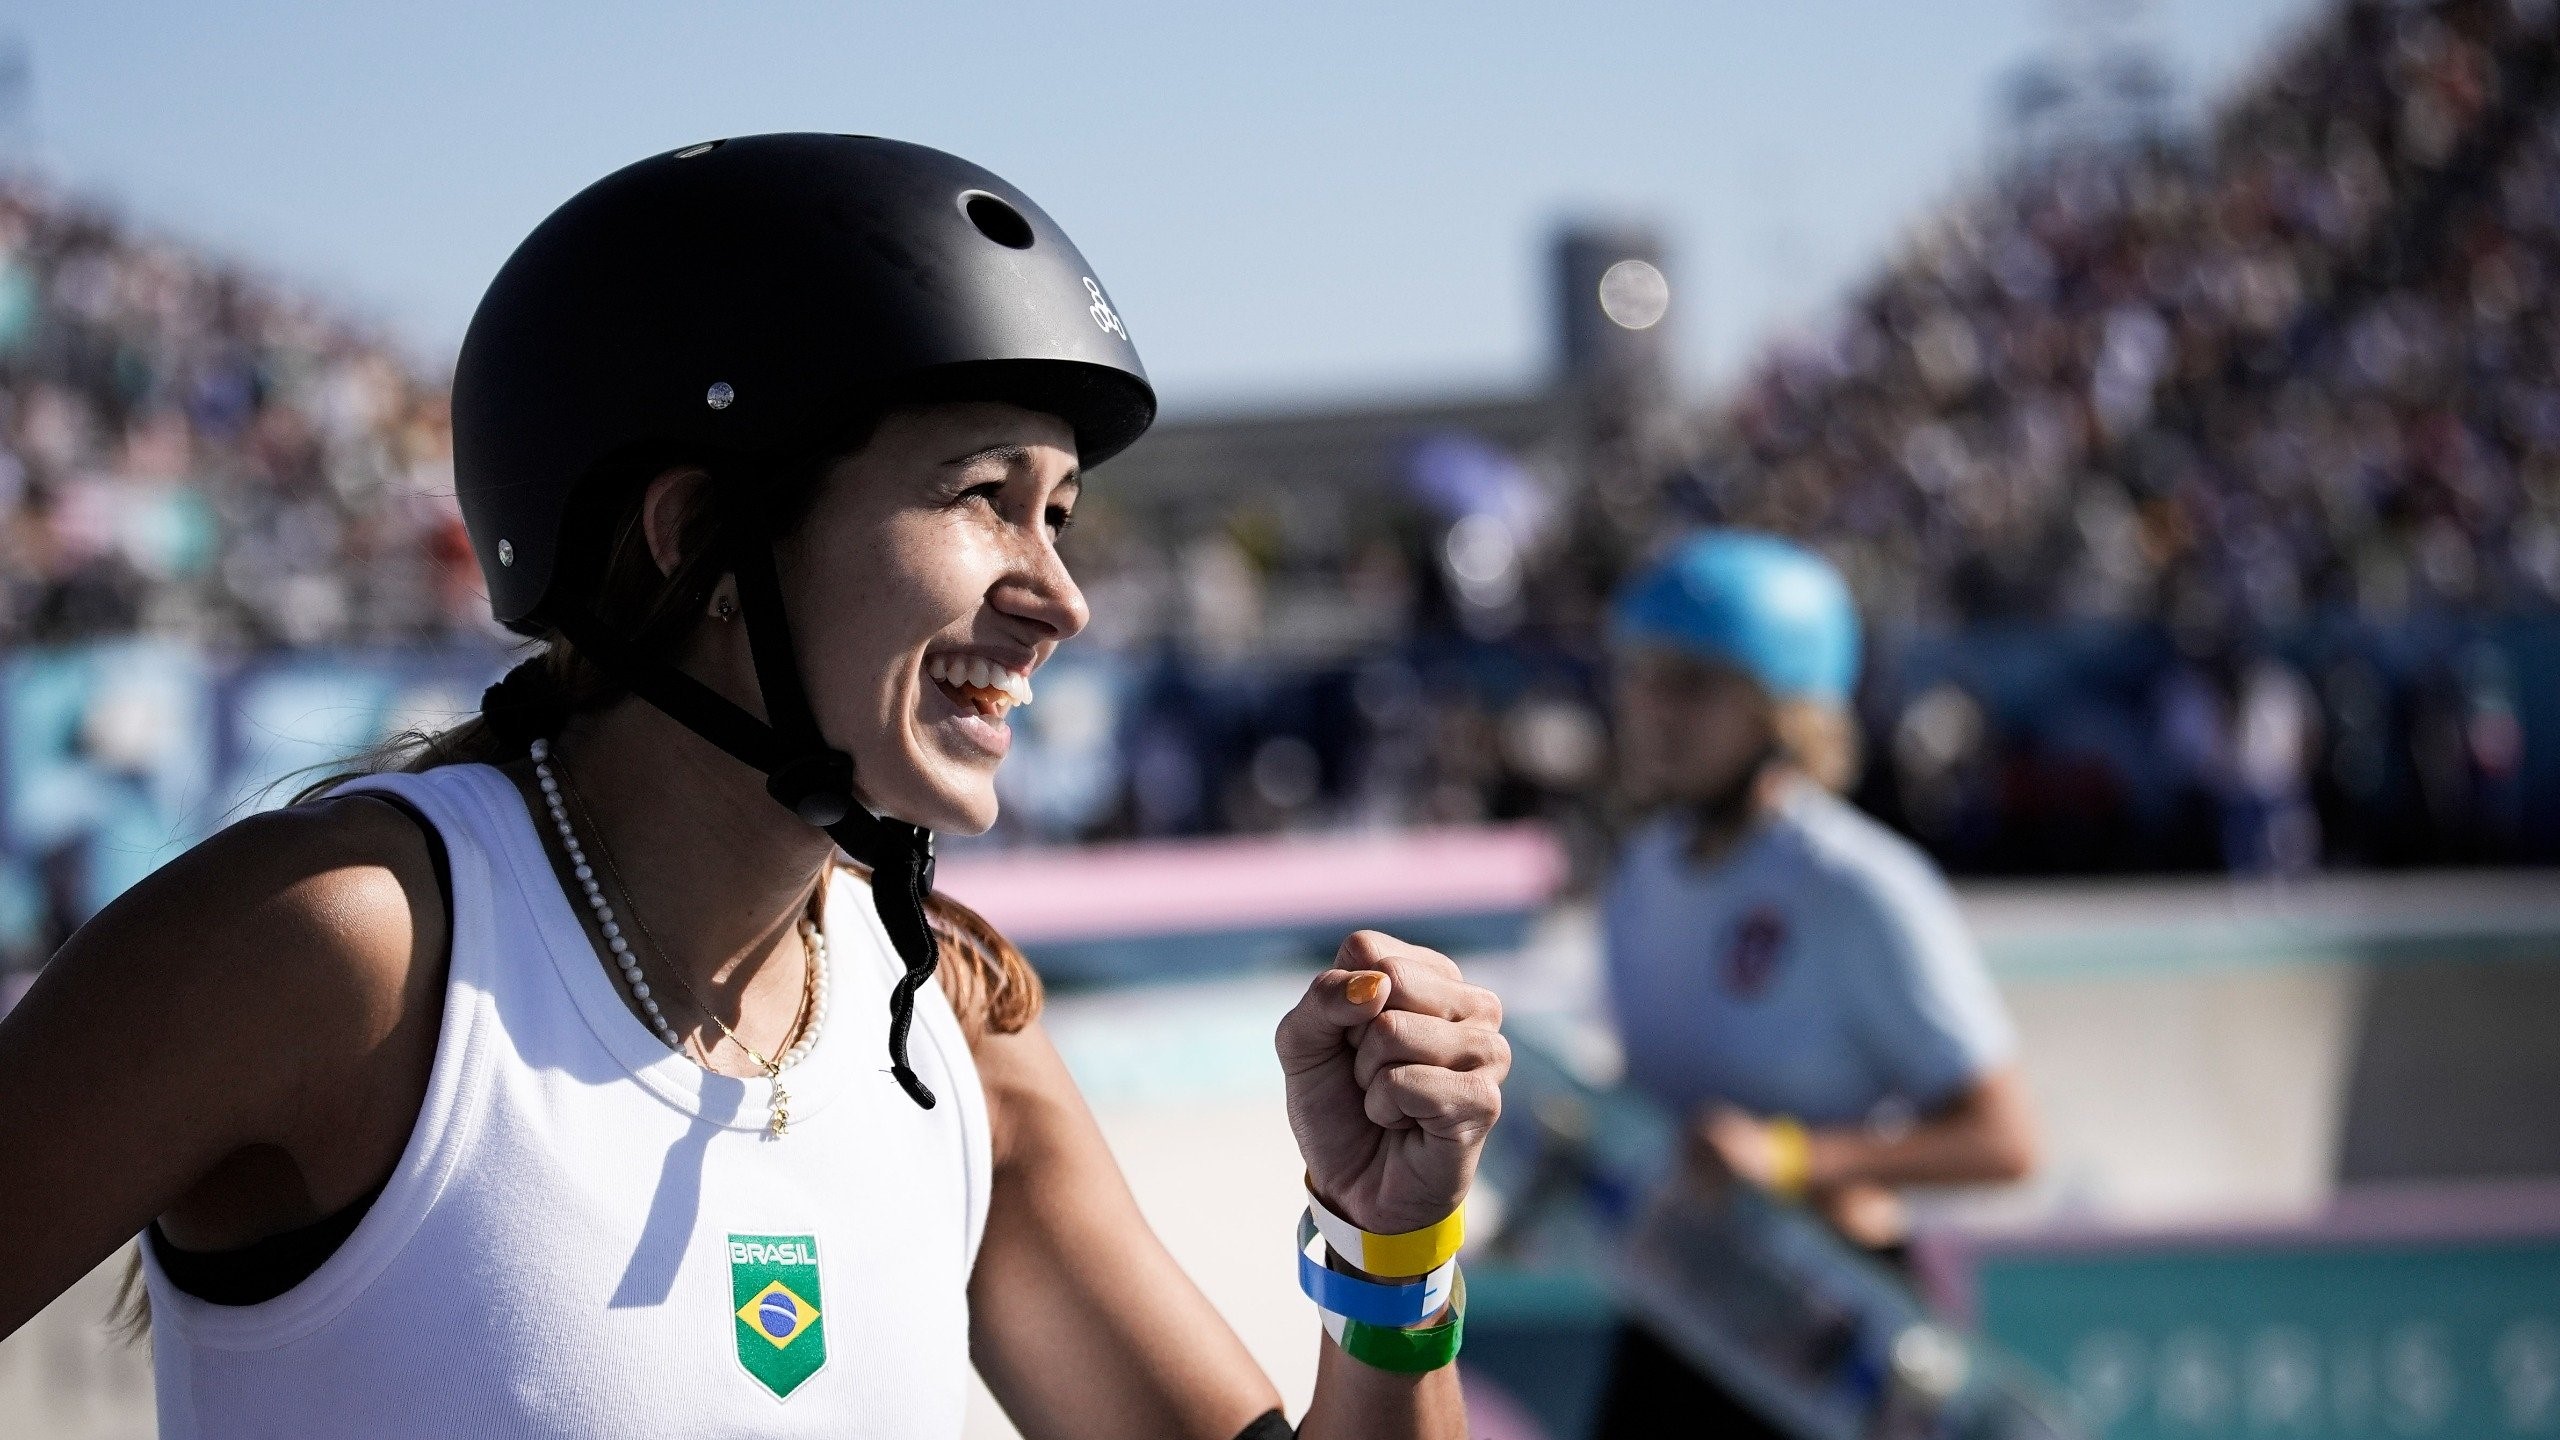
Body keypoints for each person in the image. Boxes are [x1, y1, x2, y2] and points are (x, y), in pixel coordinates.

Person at [0, 135, 1509, 1440]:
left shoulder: (958, 1031)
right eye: (987, 499)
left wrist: (1391, 1239)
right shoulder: (345, 948)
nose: (1062, 597)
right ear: (697, 539)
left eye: (1063, 517)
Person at [1591, 531, 2035, 1438]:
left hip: (1831, 1328)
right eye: (1641, 676)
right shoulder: (1640, 872)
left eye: (1692, 683)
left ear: (1782, 713)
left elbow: (2005, 1139)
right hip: (1681, 1311)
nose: (1651, 709)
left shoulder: (1858, 883)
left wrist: (1789, 1159)